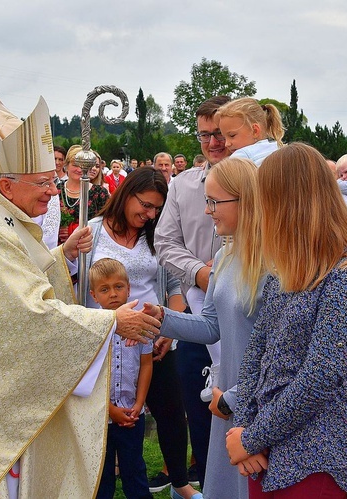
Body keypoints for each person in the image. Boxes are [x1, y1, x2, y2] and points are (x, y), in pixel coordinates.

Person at [0, 96, 161, 498]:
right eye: (44, 183)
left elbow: (19, 279)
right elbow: (26, 315)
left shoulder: (4, 221)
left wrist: (60, 256)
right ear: (8, 184)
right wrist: (110, 321)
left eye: (53, 180)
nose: (53, 191)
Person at [226, 143, 347, 497]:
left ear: (288, 202)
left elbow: (320, 376)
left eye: (264, 198)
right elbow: (257, 355)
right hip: (267, 450)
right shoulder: (288, 271)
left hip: (317, 454)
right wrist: (245, 426)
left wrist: (252, 437)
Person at [145, 157, 265, 499]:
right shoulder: (226, 255)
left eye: (214, 202)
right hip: (226, 394)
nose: (208, 211)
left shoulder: (274, 262)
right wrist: (161, 317)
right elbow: (212, 325)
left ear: (245, 200)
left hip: (256, 398)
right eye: (206, 201)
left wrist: (235, 397)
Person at [85, 167, 201, 499]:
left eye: (155, 209)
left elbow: (175, 283)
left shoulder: (156, 234)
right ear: (127, 193)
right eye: (145, 205)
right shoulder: (93, 232)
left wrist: (172, 328)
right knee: (104, 413)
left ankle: (179, 483)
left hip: (154, 336)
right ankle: (98, 481)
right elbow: (78, 284)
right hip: (107, 339)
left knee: (171, 411)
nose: (149, 215)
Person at [154, 96, 232, 490]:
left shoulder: (263, 182)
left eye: (220, 133)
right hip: (199, 315)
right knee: (200, 417)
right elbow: (165, 242)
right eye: (205, 135)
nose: (213, 142)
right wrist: (202, 274)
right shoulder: (183, 185)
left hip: (248, 319)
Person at [90, 258, 153, 499]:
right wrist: (109, 410)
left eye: (118, 287)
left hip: (132, 413)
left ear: (128, 289)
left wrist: (138, 405)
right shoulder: (91, 328)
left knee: (134, 469)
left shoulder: (140, 325)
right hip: (101, 417)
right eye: (105, 289)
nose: (113, 294)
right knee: (102, 476)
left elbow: (146, 365)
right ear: (94, 295)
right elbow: (89, 376)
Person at [57, 144, 110, 244]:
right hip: (58, 250)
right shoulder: (56, 190)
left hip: (89, 248)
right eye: (75, 165)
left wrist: (74, 231)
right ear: (66, 166)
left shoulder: (99, 193)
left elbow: (106, 226)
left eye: (83, 166)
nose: (80, 169)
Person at [215, 97, 284, 166]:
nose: (226, 144)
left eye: (232, 135)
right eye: (224, 138)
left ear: (254, 131)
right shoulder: (279, 149)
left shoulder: (240, 156)